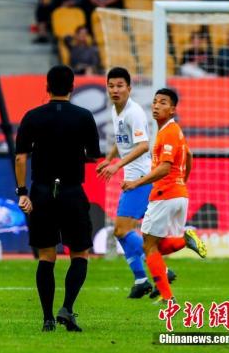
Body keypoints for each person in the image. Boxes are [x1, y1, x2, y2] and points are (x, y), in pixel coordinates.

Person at [15, 65, 101, 332]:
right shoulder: (85, 117)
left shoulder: (32, 117)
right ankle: (67, 307)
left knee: (46, 256)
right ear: (73, 87)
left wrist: (22, 192)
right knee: (80, 253)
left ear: (47, 87)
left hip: (41, 191)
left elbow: (20, 157)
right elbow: (93, 154)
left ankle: (47, 318)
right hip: (72, 191)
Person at [122, 88, 207, 304]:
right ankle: (167, 294)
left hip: (164, 194)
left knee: (148, 246)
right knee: (155, 247)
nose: (157, 105)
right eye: (155, 101)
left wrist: (136, 183)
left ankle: (168, 296)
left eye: (163, 102)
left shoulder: (168, 132)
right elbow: (189, 154)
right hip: (179, 195)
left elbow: (164, 168)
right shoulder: (175, 130)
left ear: (172, 109)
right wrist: (183, 182)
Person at [96, 67, 155, 298]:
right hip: (132, 177)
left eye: (120, 86)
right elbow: (123, 141)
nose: (115, 90)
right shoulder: (116, 110)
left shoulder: (134, 113)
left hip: (140, 179)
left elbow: (143, 145)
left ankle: (159, 267)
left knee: (121, 229)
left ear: (129, 88)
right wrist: (109, 158)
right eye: (111, 86)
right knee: (121, 232)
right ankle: (141, 279)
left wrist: (117, 165)